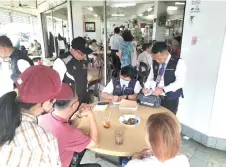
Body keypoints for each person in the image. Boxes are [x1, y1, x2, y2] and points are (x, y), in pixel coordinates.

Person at [0, 65, 74, 166]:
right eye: (53, 99)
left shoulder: (5, 113)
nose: (55, 101)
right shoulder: (44, 140)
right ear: (43, 103)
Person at [39, 87, 100, 167]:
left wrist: (78, 113)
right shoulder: (67, 132)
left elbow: (69, 124)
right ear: (75, 105)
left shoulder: (44, 116)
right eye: (77, 100)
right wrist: (91, 115)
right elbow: (95, 143)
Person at [125, 113, 190, 167]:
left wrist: (135, 158)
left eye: (146, 131)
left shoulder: (135, 164)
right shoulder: (183, 160)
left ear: (152, 140)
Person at [143, 42, 186, 114]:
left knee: (168, 119)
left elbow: (180, 83)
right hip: (155, 95)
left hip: (170, 97)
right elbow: (150, 77)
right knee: (155, 117)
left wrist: (163, 90)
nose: (157, 61)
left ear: (166, 53)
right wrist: (146, 87)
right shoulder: (155, 62)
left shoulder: (178, 62)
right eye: (154, 58)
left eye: (159, 58)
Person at [53, 37, 93, 103]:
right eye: (82, 54)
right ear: (74, 50)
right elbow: (56, 86)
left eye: (85, 54)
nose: (84, 56)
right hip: (69, 102)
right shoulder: (61, 61)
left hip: (83, 98)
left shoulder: (83, 60)